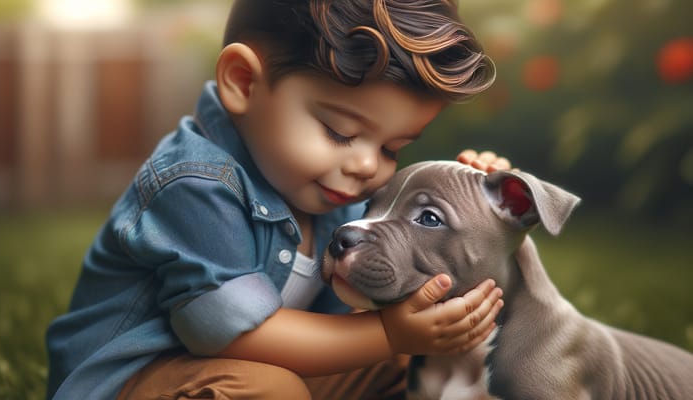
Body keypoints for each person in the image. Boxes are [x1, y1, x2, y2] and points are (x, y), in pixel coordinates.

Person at [46, 1, 510, 399]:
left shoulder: (328, 183)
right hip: (139, 382)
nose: (368, 167)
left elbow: (385, 283)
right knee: (273, 390)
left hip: (275, 369)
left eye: (392, 149)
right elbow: (232, 335)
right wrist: (387, 333)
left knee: (411, 358)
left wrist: (471, 195)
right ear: (244, 82)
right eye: (341, 132)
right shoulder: (196, 183)